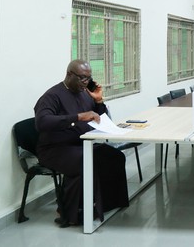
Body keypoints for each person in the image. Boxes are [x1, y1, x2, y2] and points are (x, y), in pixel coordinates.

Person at [34, 59, 129, 227]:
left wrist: (98, 101)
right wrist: (77, 117)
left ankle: (106, 204)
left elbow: (99, 118)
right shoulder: (52, 95)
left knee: (114, 156)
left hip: (81, 143)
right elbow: (42, 122)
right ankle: (70, 213)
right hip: (55, 149)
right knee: (85, 161)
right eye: (83, 78)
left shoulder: (84, 92)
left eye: (89, 78)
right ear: (70, 75)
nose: (86, 82)